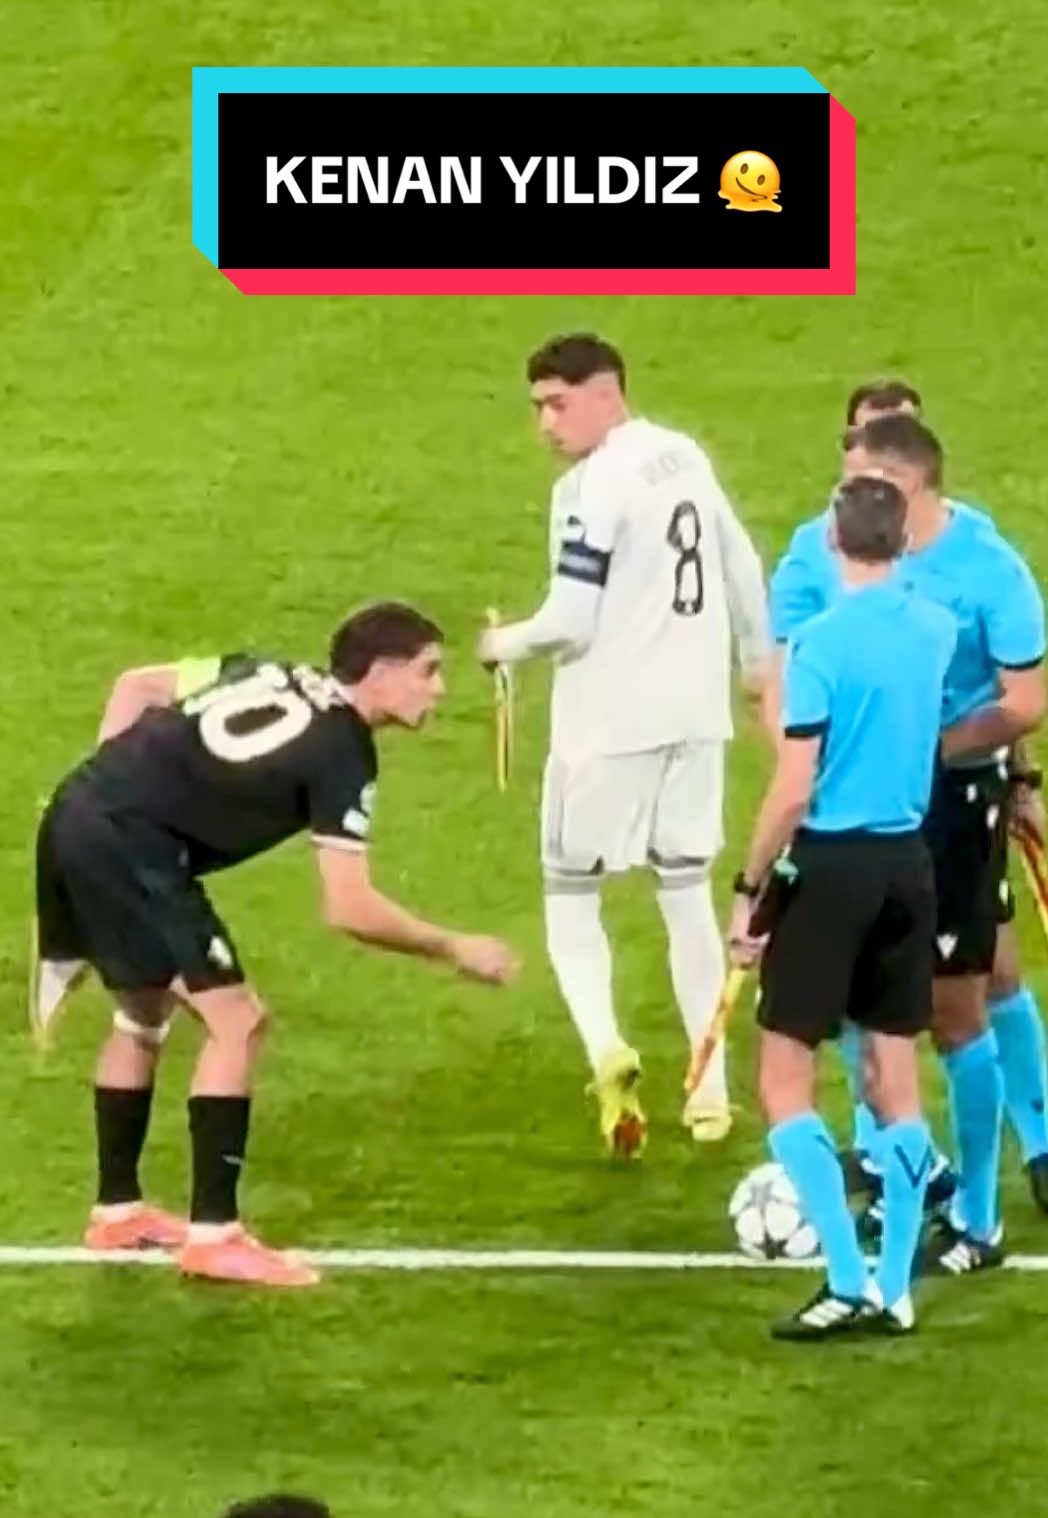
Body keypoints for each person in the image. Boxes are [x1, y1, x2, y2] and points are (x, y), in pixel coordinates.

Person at [34, 602, 518, 1287]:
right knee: (240, 1022)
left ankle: (118, 1212)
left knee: (143, 1014)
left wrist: (109, 784)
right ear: (379, 672)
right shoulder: (343, 751)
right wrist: (455, 948)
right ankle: (215, 1236)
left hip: (76, 812)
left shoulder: (264, 669)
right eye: (428, 671)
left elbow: (136, 685)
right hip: (130, 847)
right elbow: (349, 907)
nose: (439, 689)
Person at [476, 332, 770, 1154]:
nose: (545, 424)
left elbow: (571, 621)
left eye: (557, 404)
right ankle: (707, 1090)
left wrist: (504, 648)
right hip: (696, 718)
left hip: (606, 728)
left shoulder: (591, 486)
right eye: (537, 407)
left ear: (607, 392)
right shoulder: (682, 456)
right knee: (686, 894)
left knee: (570, 892)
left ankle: (607, 1049)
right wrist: (757, 661)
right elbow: (742, 561)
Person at [731, 475, 957, 1340]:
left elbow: (793, 787)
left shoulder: (819, 644)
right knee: (892, 1077)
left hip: (830, 866)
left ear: (832, 540)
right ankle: (895, 1288)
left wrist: (751, 887)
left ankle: (844, 1277)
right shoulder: (934, 629)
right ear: (902, 540)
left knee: (785, 1077)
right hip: (911, 862)